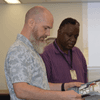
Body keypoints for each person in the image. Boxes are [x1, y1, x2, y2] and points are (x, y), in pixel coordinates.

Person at [4, 6, 84, 100]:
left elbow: (41, 86)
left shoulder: (32, 50)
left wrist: (64, 86)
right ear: (31, 23)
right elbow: (21, 90)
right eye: (45, 28)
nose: (48, 34)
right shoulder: (19, 50)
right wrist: (63, 96)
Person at [40, 18, 88, 84]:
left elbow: (85, 80)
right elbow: (42, 85)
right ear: (59, 32)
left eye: (76, 36)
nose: (73, 39)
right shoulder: (45, 54)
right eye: (69, 35)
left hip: (80, 94)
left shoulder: (78, 52)